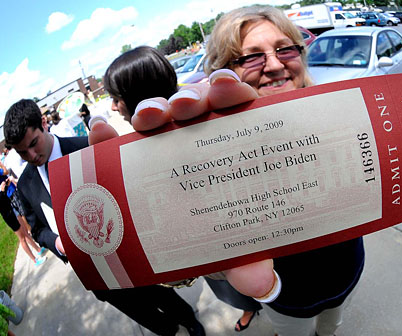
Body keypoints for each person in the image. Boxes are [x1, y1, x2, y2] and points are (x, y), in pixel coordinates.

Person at [92, 6, 364, 336]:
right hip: (286, 300)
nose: (275, 64)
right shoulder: (208, 151)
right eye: (251, 57)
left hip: (348, 274)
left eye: (284, 48)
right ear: (223, 74)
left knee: (332, 328)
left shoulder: (335, 114)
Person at [3, 99, 205, 336]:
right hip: (92, 269)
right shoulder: (25, 184)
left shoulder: (87, 147)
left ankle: (188, 319)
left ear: (44, 123)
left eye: (33, 144)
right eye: (22, 152)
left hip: (126, 251)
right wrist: (55, 242)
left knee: (159, 293)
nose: (32, 155)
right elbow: (36, 230)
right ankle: (167, 329)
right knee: (136, 310)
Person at [103, 45, 263, 332]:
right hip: (214, 258)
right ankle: (251, 305)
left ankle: (254, 308)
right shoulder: (134, 147)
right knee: (230, 288)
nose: (114, 107)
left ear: (134, 93)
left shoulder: (202, 121)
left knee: (247, 288)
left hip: (236, 246)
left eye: (116, 98)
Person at [0, 162, 46, 266]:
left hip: (12, 210)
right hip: (8, 215)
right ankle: (34, 260)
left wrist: (4, 188)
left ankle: (38, 249)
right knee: (22, 238)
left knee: (25, 232)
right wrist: (2, 191)